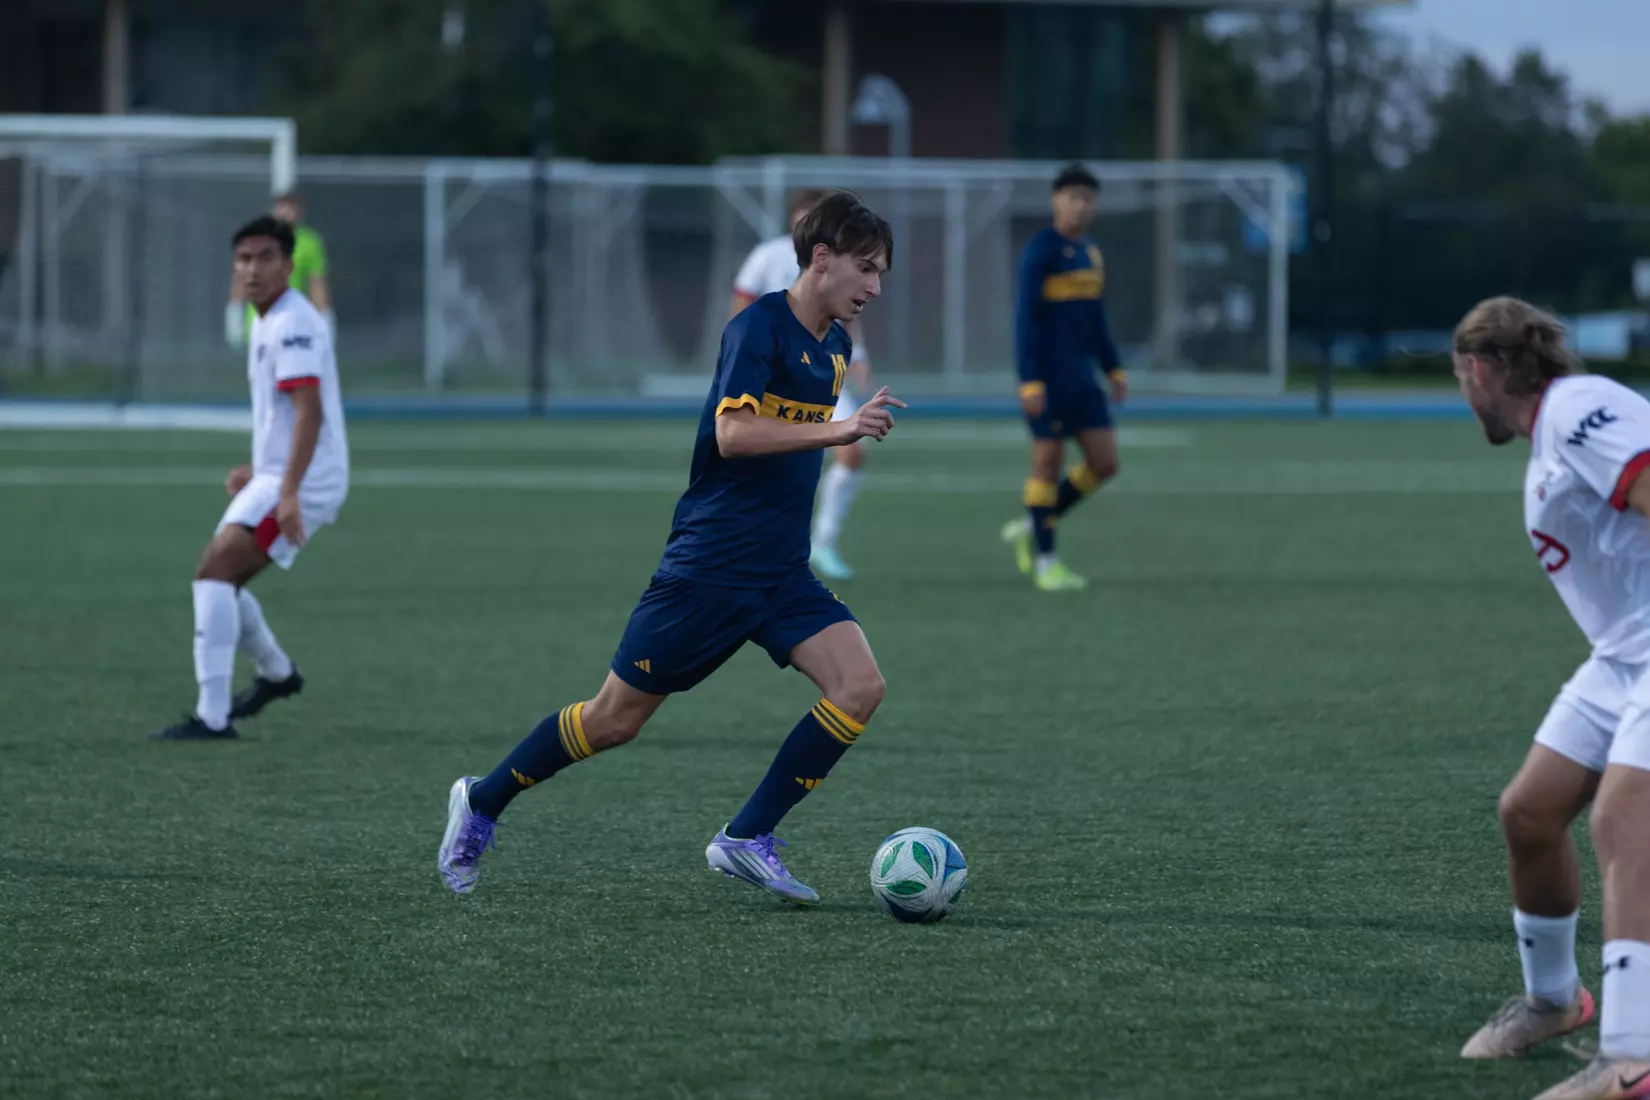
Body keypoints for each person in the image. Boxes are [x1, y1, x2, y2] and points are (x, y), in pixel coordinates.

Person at [437, 191, 901, 905]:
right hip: (708, 568)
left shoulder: (835, 346)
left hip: (779, 570)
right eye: (865, 269)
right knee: (613, 719)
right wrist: (836, 431)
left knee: (860, 686)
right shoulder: (758, 329)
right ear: (821, 257)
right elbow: (732, 438)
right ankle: (482, 801)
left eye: (881, 274)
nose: (874, 287)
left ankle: (747, 837)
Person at [1451, 296, 1650, 1099]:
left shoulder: (1576, 409)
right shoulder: (1557, 428)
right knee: (1529, 814)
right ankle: (1555, 1001)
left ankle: (1633, 1055)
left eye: (1462, 377)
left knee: (1622, 818)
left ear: (1481, 369)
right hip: (1623, 656)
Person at [149, 216, 349, 740]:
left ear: (288, 265)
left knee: (216, 573)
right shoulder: (266, 317)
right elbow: (288, 417)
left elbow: (310, 414)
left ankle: (214, 719)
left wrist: (285, 493)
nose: (252, 268)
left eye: (265, 258)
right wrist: (261, 471)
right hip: (284, 474)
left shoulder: (295, 323)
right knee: (221, 578)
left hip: (307, 482)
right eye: (243, 259)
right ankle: (278, 675)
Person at [732, 189, 875, 581]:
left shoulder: (838, 263)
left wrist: (858, 356)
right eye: (804, 218)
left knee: (852, 453)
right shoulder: (768, 256)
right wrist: (744, 355)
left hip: (822, 372)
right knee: (761, 457)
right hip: (774, 378)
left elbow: (848, 309)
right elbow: (742, 306)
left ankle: (823, 542)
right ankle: (752, 544)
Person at [1000, 163, 1127, 593]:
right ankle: (1047, 562)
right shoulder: (1042, 250)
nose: (1080, 205)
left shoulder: (1091, 252)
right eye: (1072, 197)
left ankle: (1034, 522)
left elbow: (1096, 321)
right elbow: (1025, 321)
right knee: (1047, 465)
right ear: (1056, 201)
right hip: (1049, 381)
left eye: (1087, 198)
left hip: (1083, 381)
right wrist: (1029, 380)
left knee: (1106, 463)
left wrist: (1114, 367)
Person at [225, 192, 333, 348]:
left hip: (293, 320)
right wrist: (234, 314)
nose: (285, 213)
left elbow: (317, 285)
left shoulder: (309, 242)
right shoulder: (259, 240)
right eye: (282, 207)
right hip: (260, 319)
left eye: (291, 208)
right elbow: (241, 279)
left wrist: (325, 319)